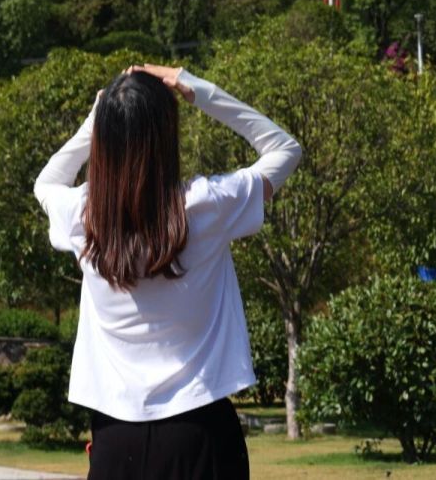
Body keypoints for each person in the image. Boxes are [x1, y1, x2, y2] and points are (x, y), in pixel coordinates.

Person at [33, 64, 302, 479]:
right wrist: (194, 87)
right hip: (202, 434)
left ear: (104, 139)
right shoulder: (205, 205)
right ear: (167, 136)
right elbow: (285, 149)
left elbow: (46, 183)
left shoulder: (83, 218)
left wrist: (97, 119)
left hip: (115, 442)